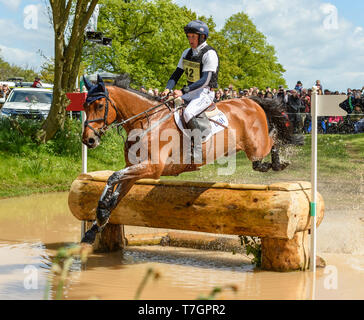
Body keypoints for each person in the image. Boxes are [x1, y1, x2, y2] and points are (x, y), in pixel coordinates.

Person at [161, 20, 219, 132]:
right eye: (188, 36)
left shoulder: (209, 54)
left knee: (188, 113)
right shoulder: (187, 52)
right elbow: (176, 74)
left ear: (202, 37)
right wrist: (168, 88)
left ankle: (198, 145)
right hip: (191, 92)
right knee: (167, 106)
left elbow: (205, 81)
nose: (190, 40)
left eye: (193, 36)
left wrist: (183, 91)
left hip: (204, 93)